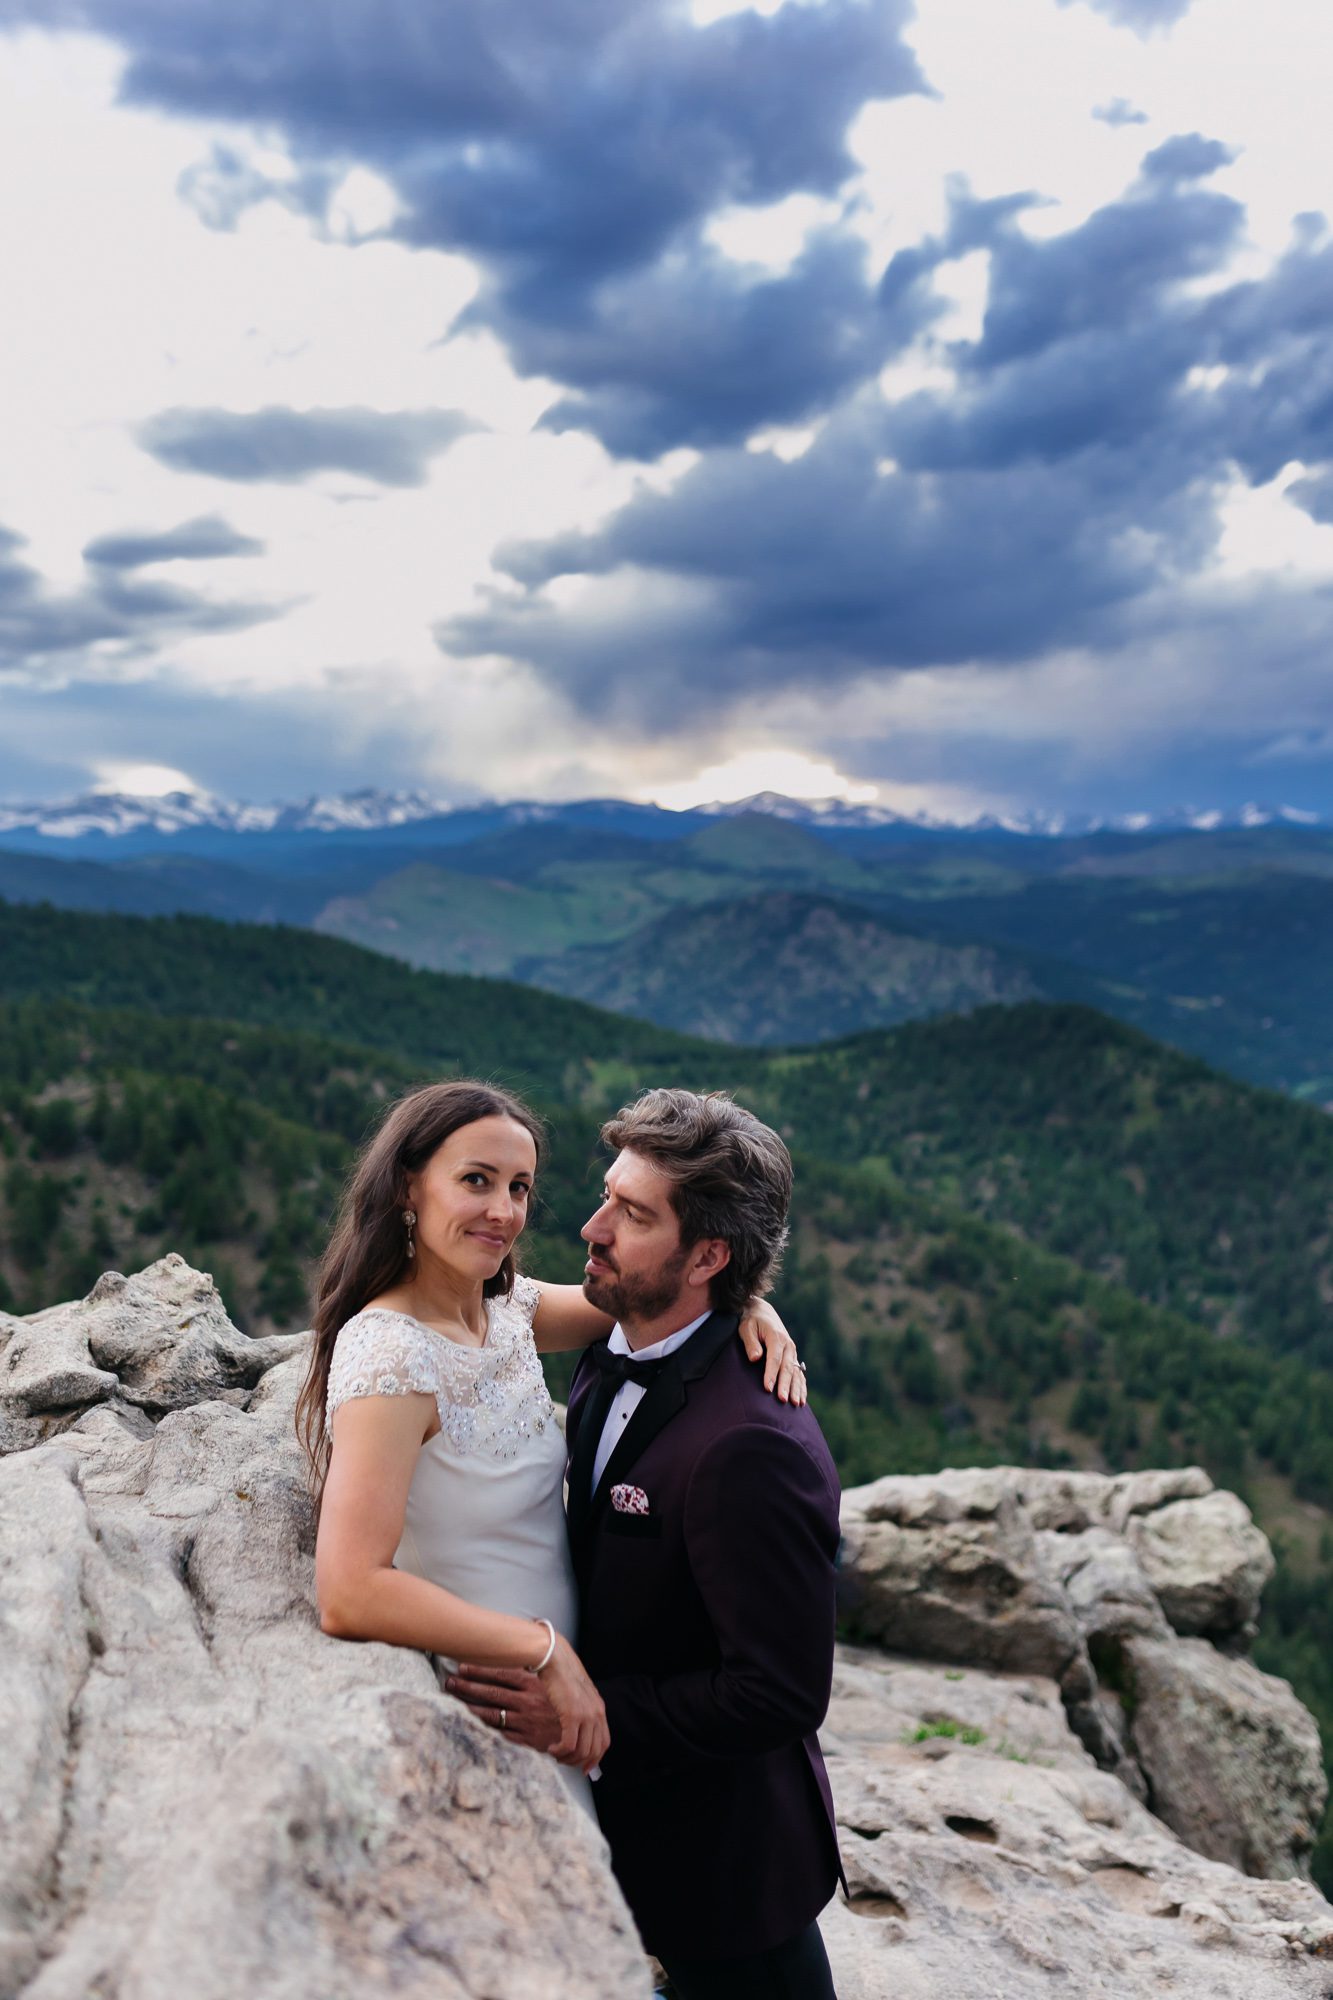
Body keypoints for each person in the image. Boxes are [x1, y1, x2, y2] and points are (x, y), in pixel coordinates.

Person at [296, 1078, 805, 1812]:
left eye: (519, 1187)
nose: (503, 1211)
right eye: (476, 1180)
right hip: (500, 1699)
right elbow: (349, 1592)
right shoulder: (390, 1355)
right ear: (408, 1186)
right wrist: (542, 1649)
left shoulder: (507, 1312)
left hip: (570, 1707)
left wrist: (748, 1301)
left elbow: (657, 1297)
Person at [449, 1088, 843, 2000]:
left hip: (722, 1877)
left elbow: (780, 1693)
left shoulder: (751, 1447)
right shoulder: (616, 1336)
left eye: (631, 1215)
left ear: (706, 1256)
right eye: (606, 1196)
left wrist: (586, 1716)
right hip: (599, 1840)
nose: (591, 1229)